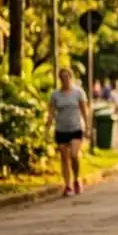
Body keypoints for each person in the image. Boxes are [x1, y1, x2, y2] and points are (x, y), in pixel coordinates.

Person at [46, 68, 90, 196]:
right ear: (60, 79)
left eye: (67, 77)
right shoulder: (55, 95)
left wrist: (87, 127)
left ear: (71, 77)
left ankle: (76, 179)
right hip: (61, 129)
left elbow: (84, 110)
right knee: (64, 157)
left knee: (74, 155)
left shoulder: (78, 92)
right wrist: (48, 127)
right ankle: (68, 185)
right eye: (62, 77)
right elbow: (51, 112)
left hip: (76, 127)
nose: (65, 80)